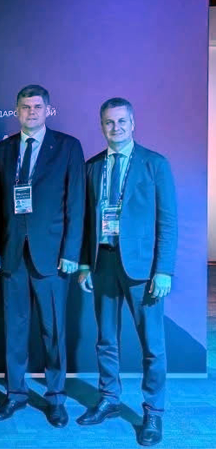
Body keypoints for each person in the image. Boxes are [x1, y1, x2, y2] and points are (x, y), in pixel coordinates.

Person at [77, 98, 177, 447]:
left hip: (143, 270)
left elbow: (168, 221)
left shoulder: (155, 164)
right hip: (103, 263)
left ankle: (153, 411)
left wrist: (163, 270)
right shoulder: (92, 167)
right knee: (106, 339)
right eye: (109, 122)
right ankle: (109, 399)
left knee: (152, 345)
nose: (115, 128)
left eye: (121, 121)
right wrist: (85, 264)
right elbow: (86, 221)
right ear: (101, 126)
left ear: (133, 124)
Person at [0, 85, 85, 427]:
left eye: (37, 107)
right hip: (12, 254)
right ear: (16, 111)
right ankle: (15, 394)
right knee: (14, 330)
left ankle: (55, 398)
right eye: (25, 107)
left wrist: (71, 251)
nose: (31, 112)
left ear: (48, 110)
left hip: (53, 257)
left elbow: (76, 203)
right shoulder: (3, 150)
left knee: (53, 330)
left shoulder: (68, 147)